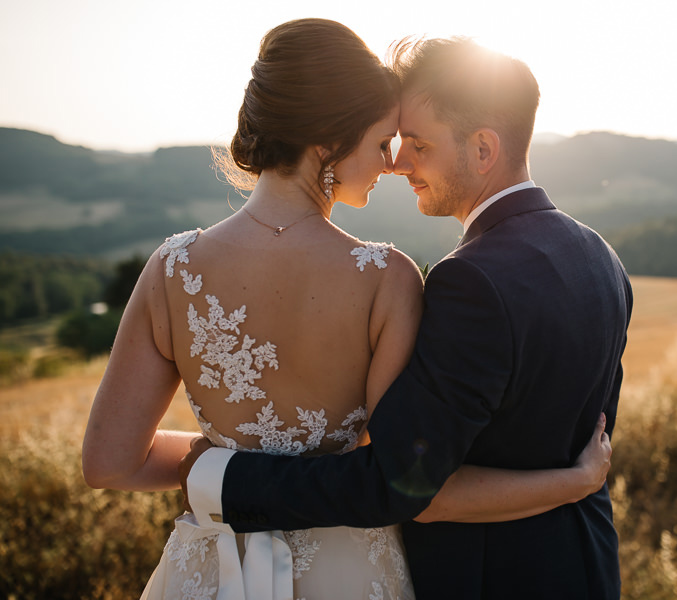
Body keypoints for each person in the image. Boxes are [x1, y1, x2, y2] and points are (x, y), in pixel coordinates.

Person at [81, 19, 613, 600]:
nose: (393, 163)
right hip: (352, 570)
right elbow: (401, 478)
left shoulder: (172, 268)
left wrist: (220, 468)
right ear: (329, 144)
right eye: (385, 142)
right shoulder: (390, 278)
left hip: (209, 566)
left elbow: (109, 463)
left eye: (409, 144)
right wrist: (576, 482)